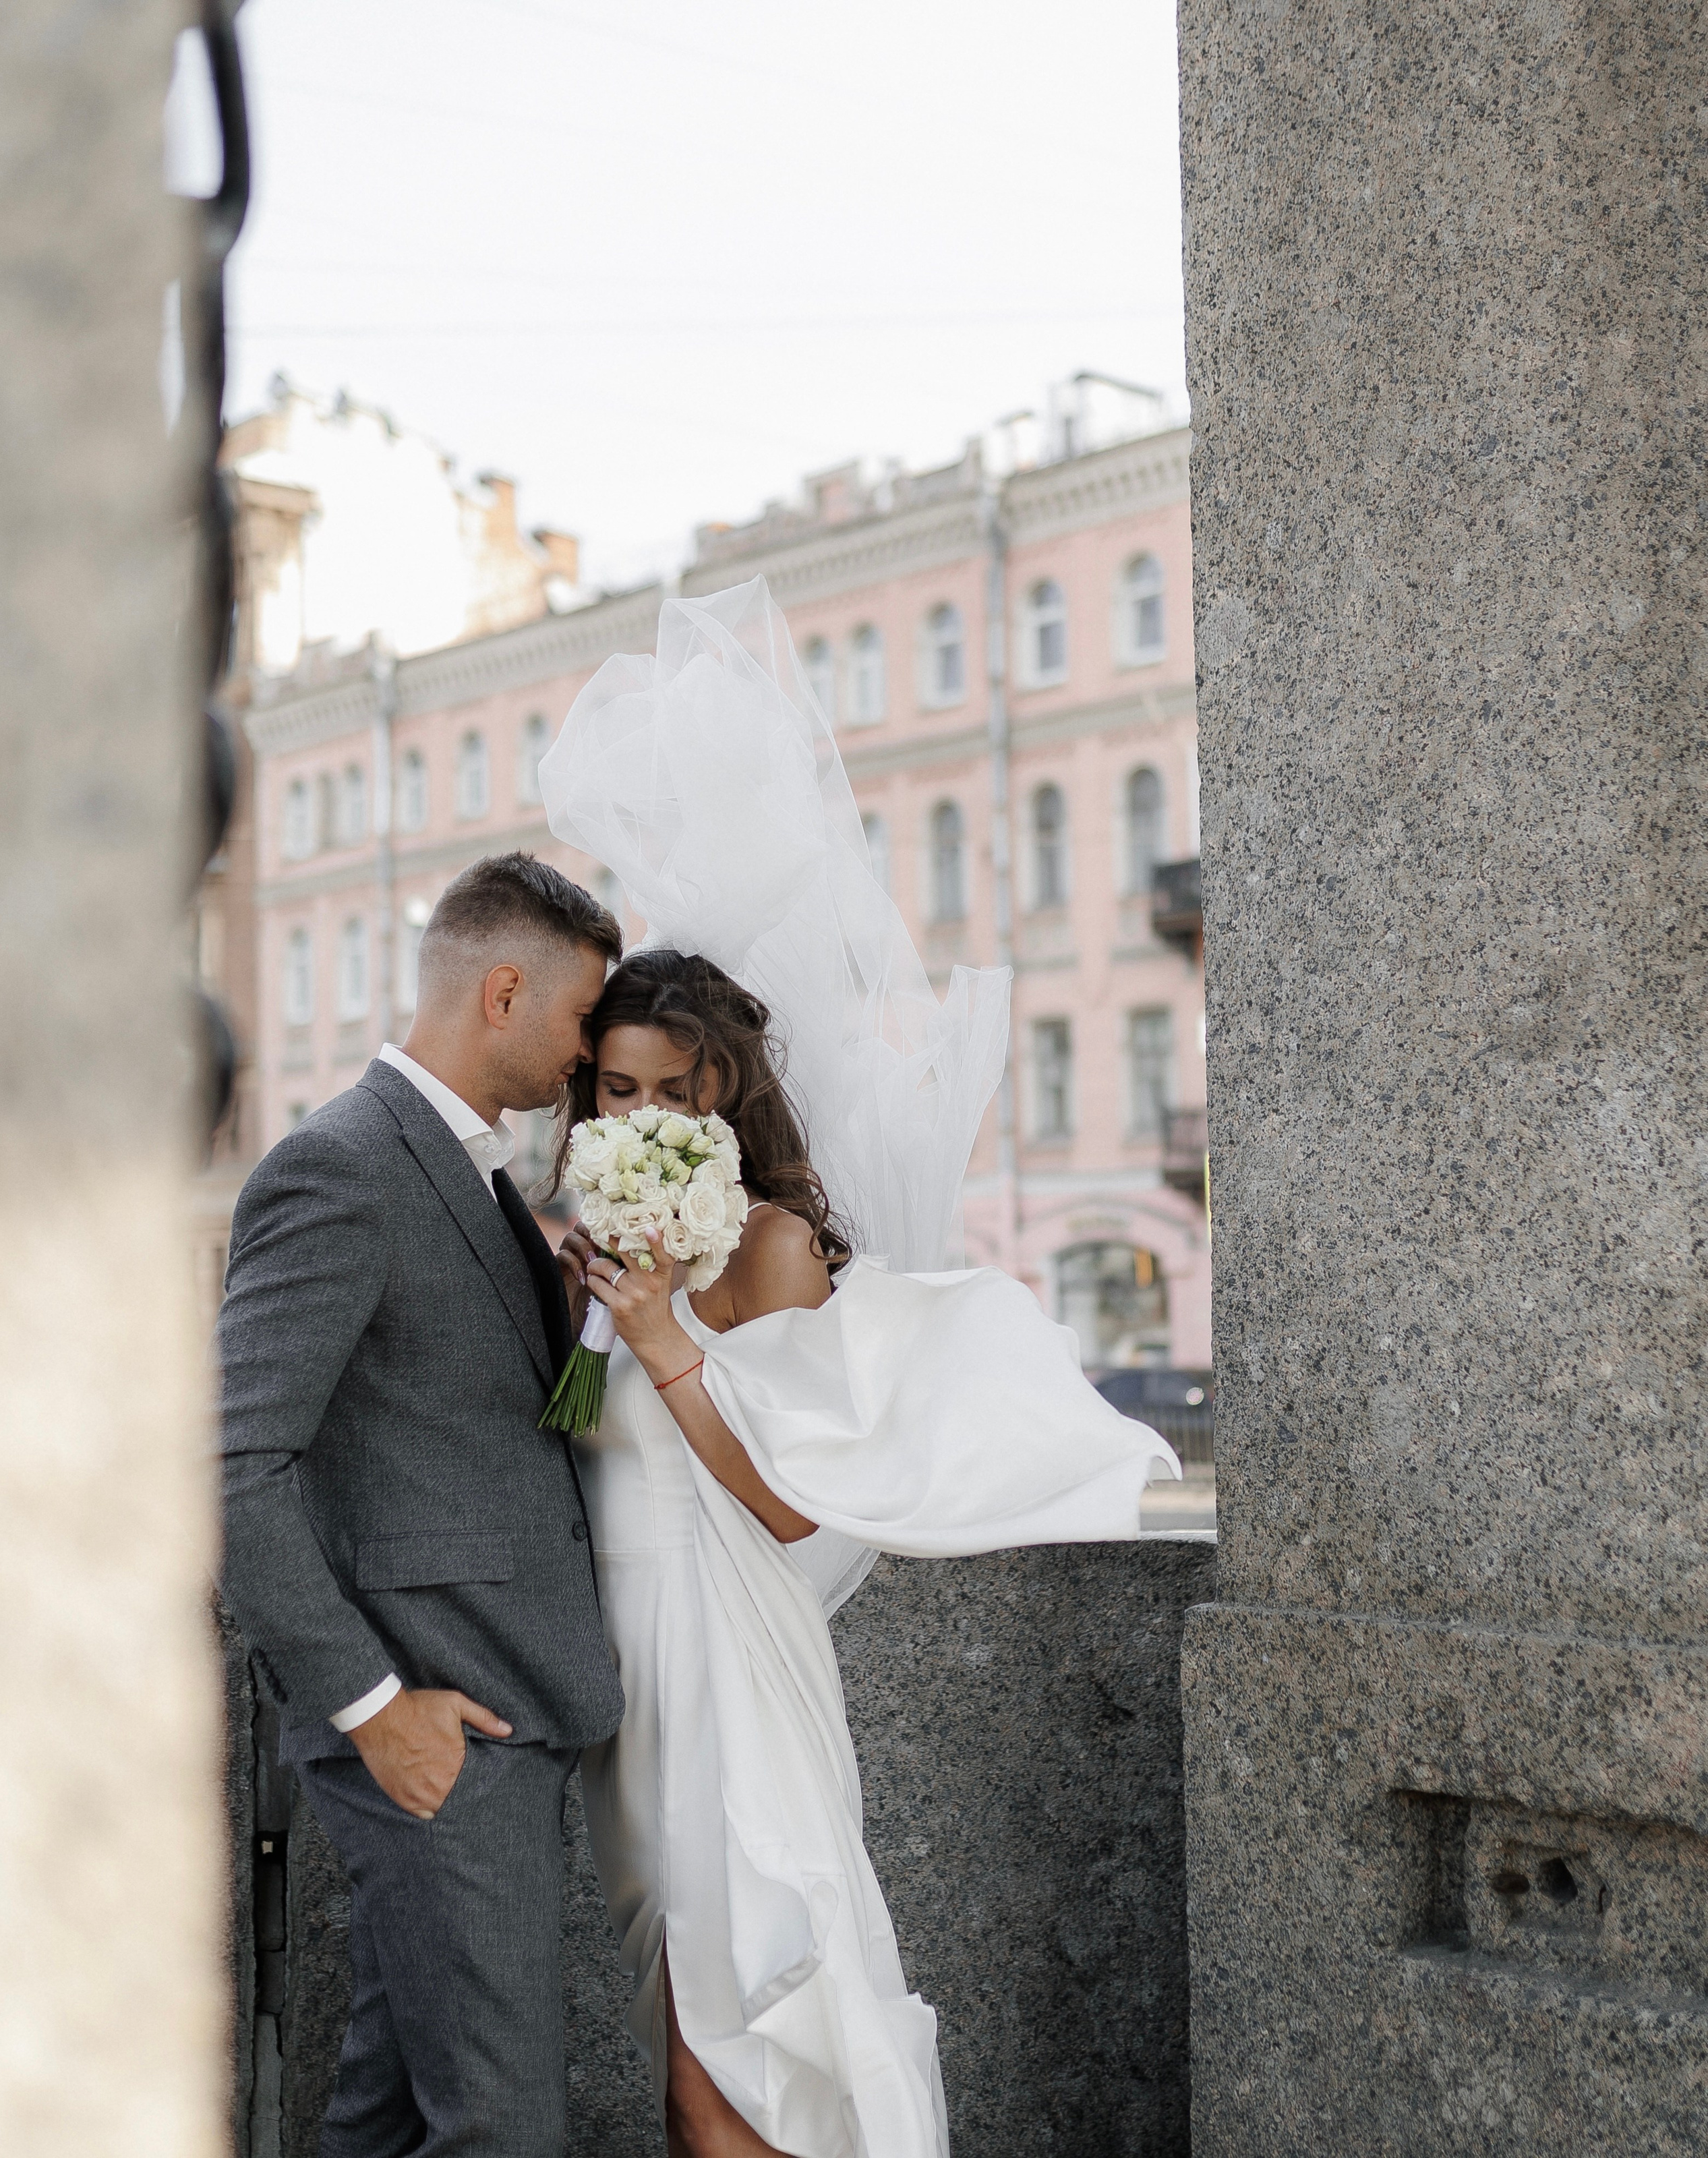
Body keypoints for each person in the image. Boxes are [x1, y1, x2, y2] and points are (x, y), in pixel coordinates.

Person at [539, 583, 1179, 2157]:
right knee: (677, 2031)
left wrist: (665, 1338)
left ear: (723, 1092)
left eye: (665, 1091)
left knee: (743, 2037)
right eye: (608, 1088)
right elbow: (581, 1425)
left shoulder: (761, 1241)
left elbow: (781, 1505)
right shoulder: (606, 1223)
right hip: (626, 1660)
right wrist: (593, 1327)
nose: (630, 1121)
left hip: (726, 1657)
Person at [216, 851, 626, 2158]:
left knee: (383, 2119)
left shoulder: (484, 1181)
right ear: (504, 990)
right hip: (439, 1723)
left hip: (499, 1703)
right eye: (578, 1020)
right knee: (502, 2128)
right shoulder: (341, 1164)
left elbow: (519, 1429)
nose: (583, 1054)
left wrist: (603, 1319)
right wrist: (373, 1708)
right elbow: (229, 1464)